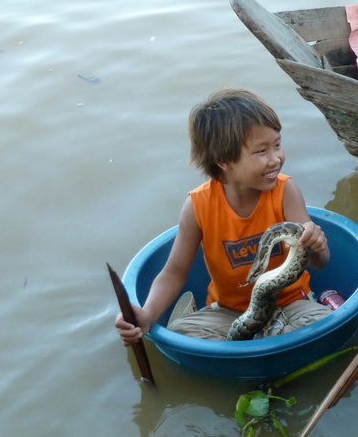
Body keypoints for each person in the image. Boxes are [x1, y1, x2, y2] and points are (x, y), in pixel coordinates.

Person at [115, 88, 331, 345]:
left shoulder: (285, 191)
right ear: (224, 161)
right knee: (183, 334)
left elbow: (320, 262)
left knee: (320, 323)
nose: (276, 159)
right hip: (228, 311)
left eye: (277, 145)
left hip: (291, 305)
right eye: (261, 151)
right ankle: (228, 329)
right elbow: (174, 272)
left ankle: (259, 344)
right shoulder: (198, 205)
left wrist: (317, 245)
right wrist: (148, 316)